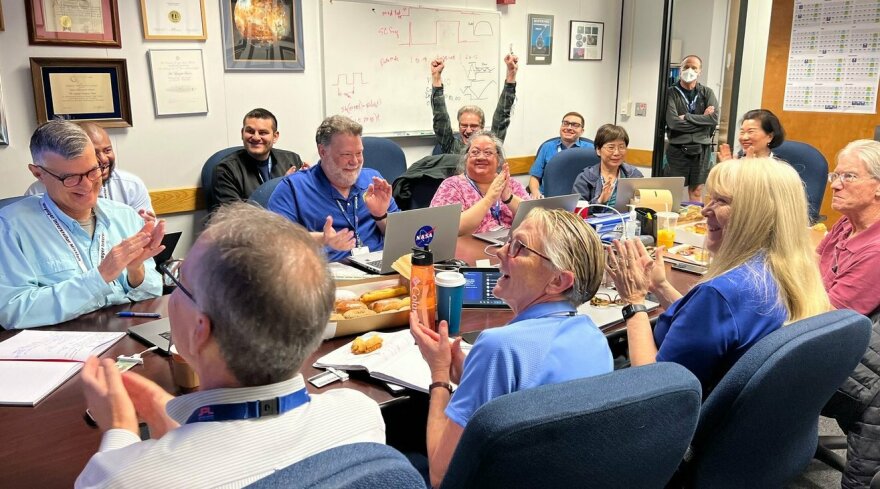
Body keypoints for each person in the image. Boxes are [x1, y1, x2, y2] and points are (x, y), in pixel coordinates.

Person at [75, 204, 385, 488]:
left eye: (179, 279)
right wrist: (167, 418)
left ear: (200, 331)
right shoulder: (361, 416)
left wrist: (118, 430)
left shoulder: (124, 478)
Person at [410, 208, 613, 487]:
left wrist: (440, 375)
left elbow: (441, 476)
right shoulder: (594, 337)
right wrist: (468, 374)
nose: (501, 252)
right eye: (509, 240)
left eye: (519, 247)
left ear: (558, 281)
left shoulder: (499, 346)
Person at [606, 158, 829, 395]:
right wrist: (660, 286)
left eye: (720, 201)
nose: (704, 210)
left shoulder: (720, 294)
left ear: (754, 215)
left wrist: (633, 301)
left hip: (684, 420)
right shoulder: (788, 272)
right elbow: (709, 326)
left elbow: (653, 389)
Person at [0, 120, 164, 330]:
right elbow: (12, 311)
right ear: (38, 174)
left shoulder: (124, 215)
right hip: (59, 347)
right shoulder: (10, 227)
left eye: (92, 171)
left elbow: (152, 294)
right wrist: (99, 277)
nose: (87, 185)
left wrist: (136, 270)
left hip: (127, 336)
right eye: (70, 178)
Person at [815, 139, 880, 489]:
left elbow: (826, 317)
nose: (836, 184)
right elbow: (811, 266)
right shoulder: (847, 223)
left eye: (849, 176)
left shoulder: (877, 250)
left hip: (861, 374)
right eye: (834, 175)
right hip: (831, 335)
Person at [267, 115, 398, 262]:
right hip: (325, 276)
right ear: (323, 152)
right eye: (346, 154)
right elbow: (275, 242)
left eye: (359, 153)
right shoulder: (293, 188)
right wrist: (322, 239)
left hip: (379, 273)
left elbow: (400, 239)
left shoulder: (373, 180)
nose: (354, 162)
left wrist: (380, 216)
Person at [25, 122, 154, 215]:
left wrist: (143, 230)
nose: (103, 159)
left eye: (107, 150)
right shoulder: (36, 194)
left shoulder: (130, 186)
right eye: (71, 177)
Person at [430, 131, 529, 236]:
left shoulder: (511, 184)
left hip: (511, 247)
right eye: (475, 152)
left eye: (488, 152)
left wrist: (509, 198)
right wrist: (489, 199)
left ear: (498, 159)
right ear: (466, 157)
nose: (481, 157)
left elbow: (538, 219)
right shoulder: (451, 186)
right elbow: (448, 229)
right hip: (470, 250)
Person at [211, 108, 305, 211]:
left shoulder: (291, 160)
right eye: (250, 131)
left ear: (275, 136)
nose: (256, 137)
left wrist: (313, 179)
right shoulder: (226, 170)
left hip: (288, 224)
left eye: (263, 132)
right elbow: (235, 219)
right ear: (242, 133)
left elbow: (304, 204)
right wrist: (282, 188)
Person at [430, 54, 518, 154]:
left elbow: (502, 116)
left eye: (473, 126)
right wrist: (436, 77)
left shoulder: (490, 146)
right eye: (463, 125)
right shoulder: (452, 147)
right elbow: (440, 117)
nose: (468, 131)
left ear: (482, 127)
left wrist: (511, 75)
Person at [664, 55, 719, 201]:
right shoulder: (670, 93)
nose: (689, 70)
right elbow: (673, 123)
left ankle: (694, 221)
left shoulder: (707, 93)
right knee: (672, 192)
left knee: (696, 191)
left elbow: (713, 119)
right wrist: (702, 123)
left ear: (700, 71)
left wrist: (687, 117)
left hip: (702, 149)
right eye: (686, 67)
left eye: (694, 67)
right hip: (677, 149)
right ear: (680, 69)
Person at [572, 124, 644, 206]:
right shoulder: (585, 178)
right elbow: (578, 212)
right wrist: (600, 201)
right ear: (598, 150)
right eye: (611, 147)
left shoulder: (634, 175)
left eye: (621, 147)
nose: (617, 153)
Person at [528, 112, 593, 198]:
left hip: (581, 199)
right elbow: (535, 177)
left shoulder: (591, 149)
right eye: (565, 123)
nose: (569, 128)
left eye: (575, 125)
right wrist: (535, 191)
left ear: (582, 131)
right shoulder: (547, 147)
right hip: (548, 197)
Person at [717, 109, 785, 161]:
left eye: (751, 132)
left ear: (770, 137)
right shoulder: (737, 161)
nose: (744, 137)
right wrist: (726, 169)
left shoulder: (779, 168)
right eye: (742, 132)